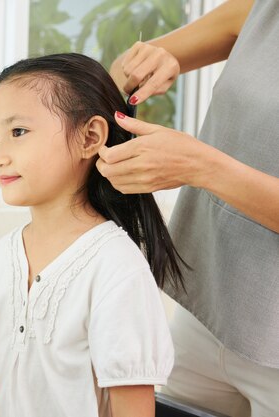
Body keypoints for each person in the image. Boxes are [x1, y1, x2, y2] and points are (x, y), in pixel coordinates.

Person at [0, 53, 187, 417]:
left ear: (90, 137)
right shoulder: (2, 256)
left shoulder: (115, 268)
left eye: (17, 132)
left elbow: (133, 407)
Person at [101, 1, 279, 416]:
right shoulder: (262, 9)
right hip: (209, 310)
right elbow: (118, 73)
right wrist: (147, 62)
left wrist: (200, 165)